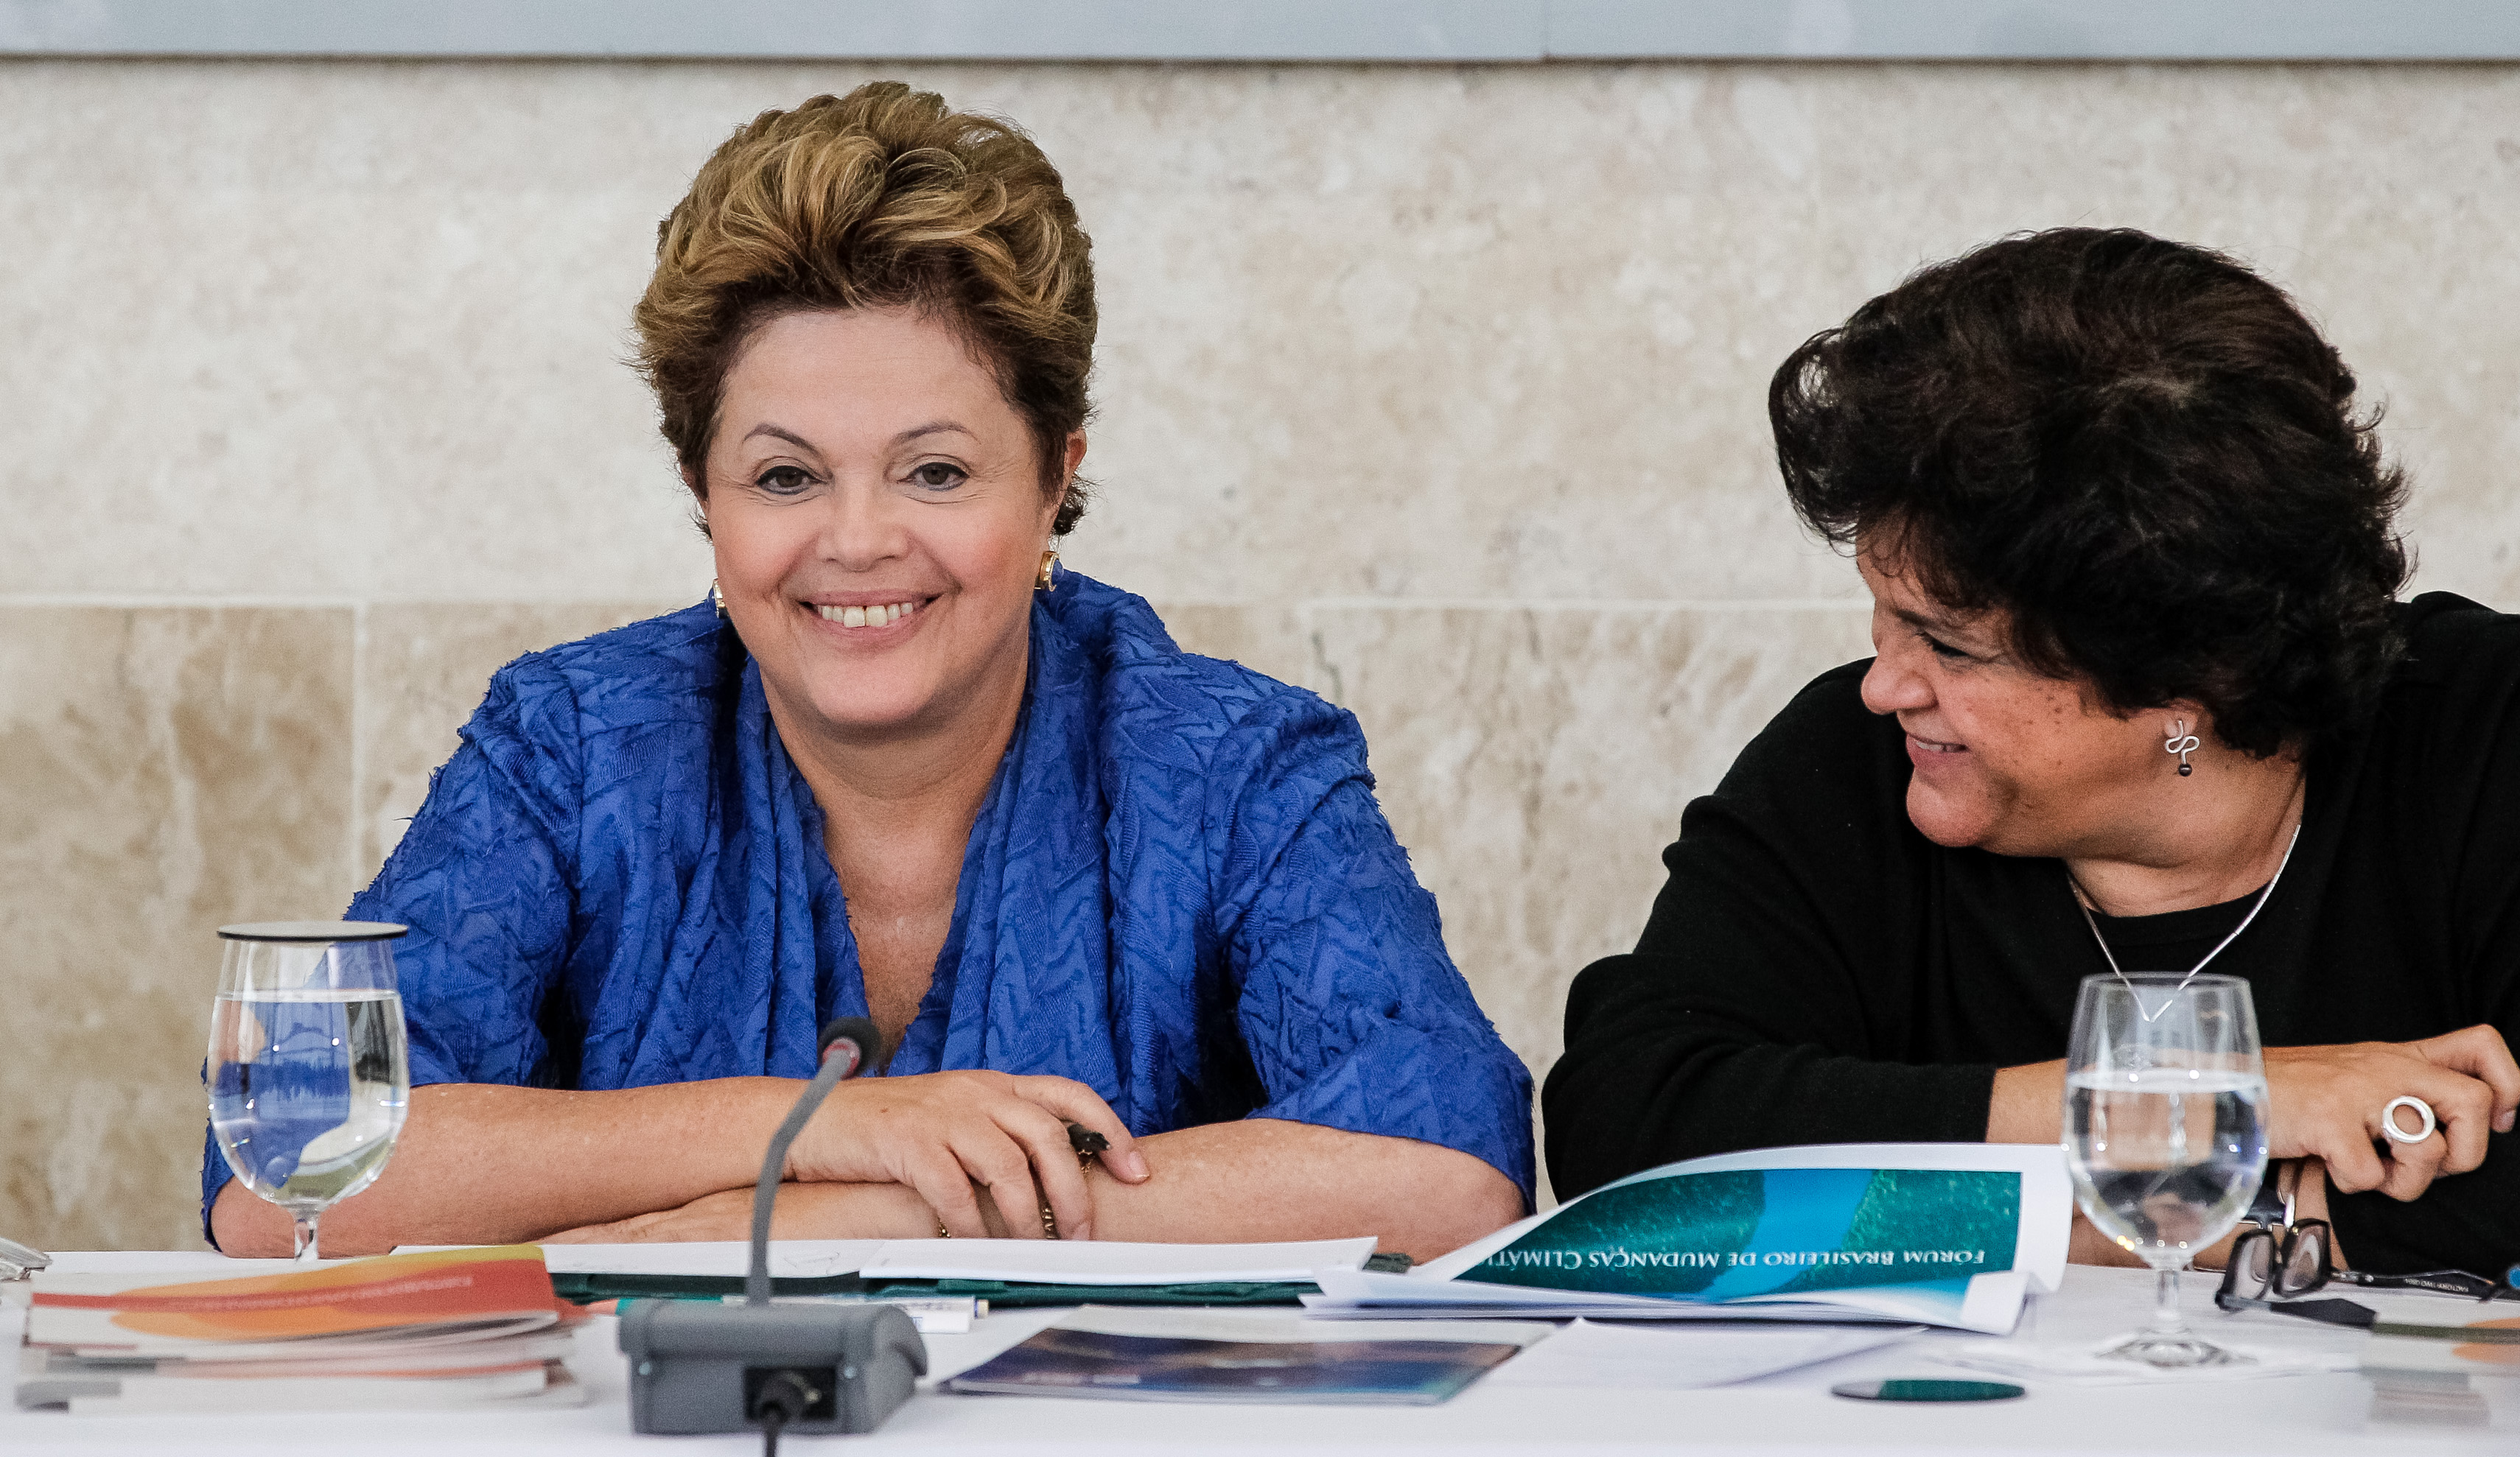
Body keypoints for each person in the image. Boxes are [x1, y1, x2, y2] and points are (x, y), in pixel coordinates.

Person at [206, 82, 1529, 1257]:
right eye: (785, 476)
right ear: (701, 493)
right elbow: (286, 1184)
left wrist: (859, 1213)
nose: (855, 542)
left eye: (935, 471)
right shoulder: (572, 743)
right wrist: (820, 1129)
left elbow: (1450, 1178)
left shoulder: (1235, 762)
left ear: (1058, 473)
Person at [1545, 228, 2520, 1283]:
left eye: (1949, 644)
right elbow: (1628, 1124)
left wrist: (1997, 1210)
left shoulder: (2519, 736)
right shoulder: (1858, 761)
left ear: (2189, 680)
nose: (1884, 684)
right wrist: (2210, 1109)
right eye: (1885, 620)